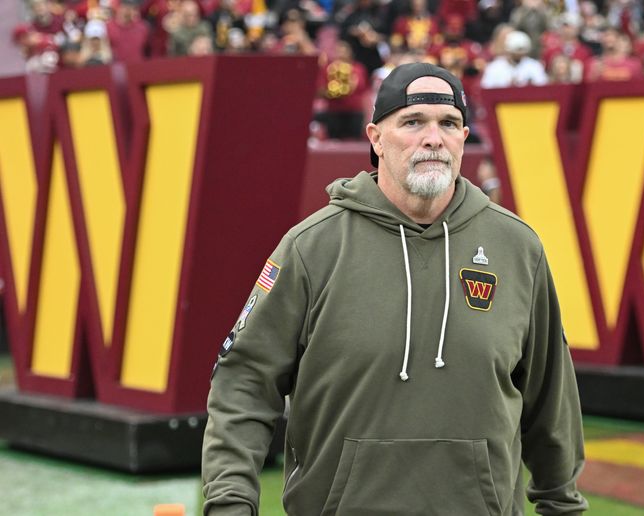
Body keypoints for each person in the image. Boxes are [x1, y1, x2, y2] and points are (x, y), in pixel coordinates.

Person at [201, 62, 588, 515]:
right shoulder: (312, 248)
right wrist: (230, 503)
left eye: (449, 123)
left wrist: (563, 505)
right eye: (412, 122)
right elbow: (244, 383)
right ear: (375, 138)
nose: (433, 138)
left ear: (464, 138)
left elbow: (550, 399)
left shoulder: (518, 248)